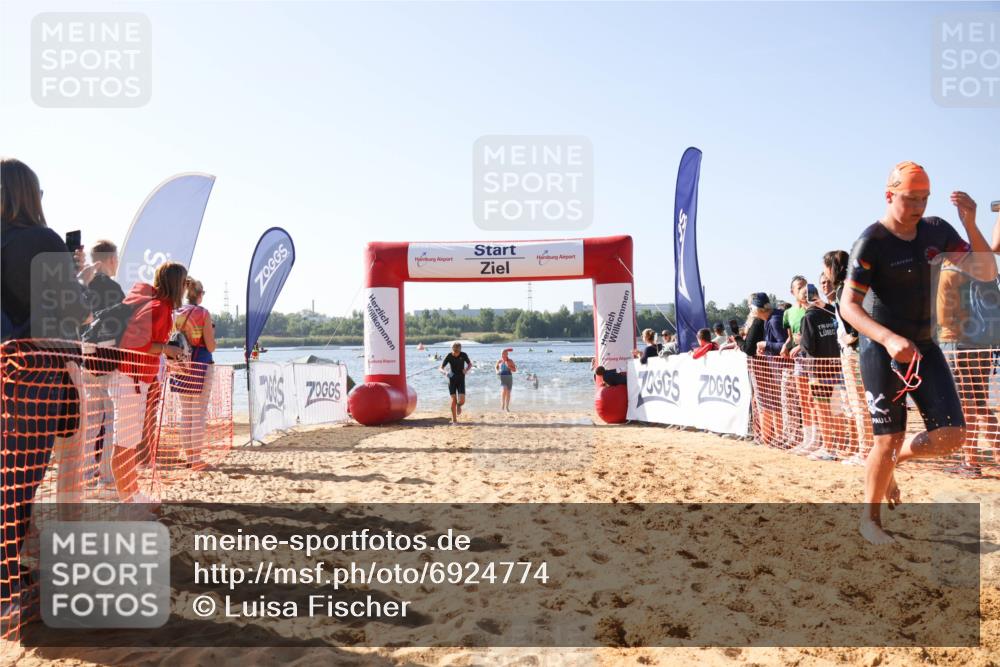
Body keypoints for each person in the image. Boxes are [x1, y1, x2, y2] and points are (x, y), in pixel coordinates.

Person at [840, 161, 997, 545]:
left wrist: (971, 222)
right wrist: (889, 339)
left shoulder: (936, 230)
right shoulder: (871, 242)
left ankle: (896, 462)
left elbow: (986, 272)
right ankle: (870, 520)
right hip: (881, 350)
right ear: (889, 195)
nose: (919, 207)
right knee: (886, 439)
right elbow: (848, 306)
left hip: (925, 347)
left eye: (924, 199)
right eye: (911, 199)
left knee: (953, 435)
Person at [1, 158, 93, 627]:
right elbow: (64, 317)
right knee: (17, 487)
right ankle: (11, 594)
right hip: (29, 382)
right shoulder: (41, 240)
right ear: (30, 195)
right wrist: (74, 278)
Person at [111, 262, 187, 504]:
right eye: (183, 283)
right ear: (176, 284)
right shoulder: (158, 307)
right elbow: (133, 344)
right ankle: (127, 500)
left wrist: (165, 353)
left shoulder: (155, 304)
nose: (185, 288)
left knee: (128, 441)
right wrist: (167, 349)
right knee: (124, 442)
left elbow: (142, 343)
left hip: (134, 379)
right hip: (131, 379)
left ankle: (132, 494)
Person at [823, 250, 868, 467]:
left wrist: (847, 339)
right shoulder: (857, 287)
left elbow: (854, 327)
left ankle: (865, 451)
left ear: (833, 268)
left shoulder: (843, 292)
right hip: (864, 352)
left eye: (825, 267)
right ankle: (868, 449)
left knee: (859, 404)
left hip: (854, 354)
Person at [171, 278, 216, 469]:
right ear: (199, 294)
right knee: (198, 414)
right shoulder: (203, 313)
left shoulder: (176, 313)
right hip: (200, 363)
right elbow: (211, 345)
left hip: (180, 364)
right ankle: (196, 459)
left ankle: (189, 458)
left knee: (186, 413)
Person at [795, 284, 843, 461]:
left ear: (802, 300)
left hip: (818, 372)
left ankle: (828, 448)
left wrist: (800, 340)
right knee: (836, 409)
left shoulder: (808, 318)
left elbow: (808, 346)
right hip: (835, 367)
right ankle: (840, 445)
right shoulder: (828, 313)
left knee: (822, 410)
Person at [440, 342, 472, 423]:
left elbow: (470, 364)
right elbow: (440, 368)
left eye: (457, 351)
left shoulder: (463, 355)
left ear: (460, 349)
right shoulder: (449, 356)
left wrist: (466, 369)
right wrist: (445, 373)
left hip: (461, 379)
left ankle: (459, 405)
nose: (455, 353)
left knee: (462, 400)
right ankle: (454, 420)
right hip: (452, 379)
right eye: (454, 351)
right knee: (453, 400)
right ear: (452, 349)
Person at [494, 347, 517, 412]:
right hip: (502, 377)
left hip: (509, 377)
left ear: (507, 355)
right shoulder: (499, 361)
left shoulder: (510, 361)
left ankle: (507, 407)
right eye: (502, 354)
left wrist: (509, 366)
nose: (503, 355)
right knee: (504, 390)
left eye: (504, 354)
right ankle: (503, 405)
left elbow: (515, 370)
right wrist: (497, 371)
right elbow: (496, 367)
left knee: (508, 392)